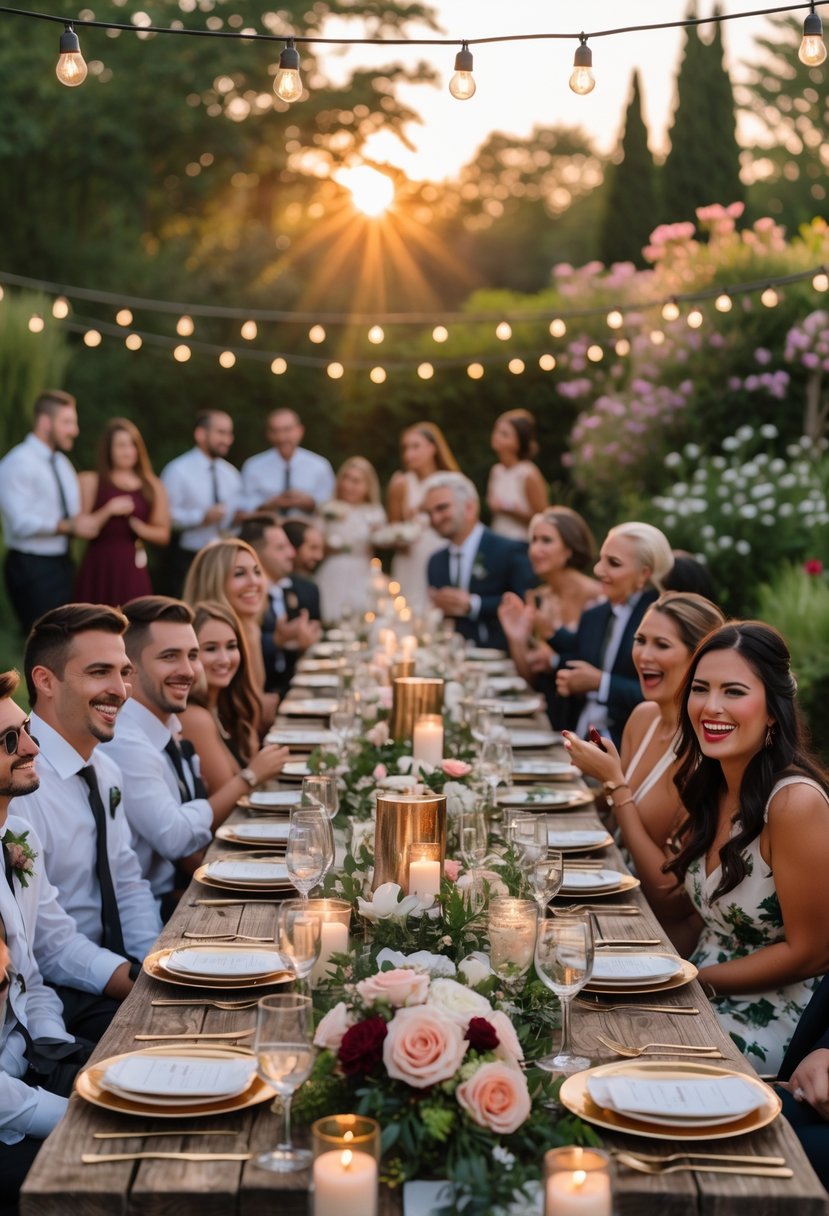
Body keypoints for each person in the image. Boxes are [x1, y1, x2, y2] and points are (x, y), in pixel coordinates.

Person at [654, 622, 829, 1075]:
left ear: (772, 711)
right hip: (698, 988)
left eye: (733, 691)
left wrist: (693, 982)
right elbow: (697, 914)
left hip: (767, 1019)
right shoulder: (712, 784)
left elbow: (813, 952)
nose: (711, 706)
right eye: (700, 689)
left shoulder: (794, 804)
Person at [12, 606, 161, 1039]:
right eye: (99, 672)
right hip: (58, 990)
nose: (120, 690)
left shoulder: (105, 769)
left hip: (116, 968)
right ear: (45, 682)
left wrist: (157, 960)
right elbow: (46, 942)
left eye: (124, 672)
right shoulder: (20, 788)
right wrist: (144, 984)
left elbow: (127, 881)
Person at [103, 596, 289, 919]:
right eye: (169, 657)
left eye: (192, 655)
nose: (188, 671)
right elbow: (175, 839)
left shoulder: (167, 726)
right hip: (153, 910)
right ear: (128, 668)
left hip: (175, 895)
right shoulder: (126, 740)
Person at [562, 592, 725, 955]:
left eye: (661, 645)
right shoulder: (644, 717)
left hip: (658, 938)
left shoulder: (706, 751)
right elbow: (616, 823)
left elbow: (671, 897)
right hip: (610, 899)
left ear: (699, 658)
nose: (644, 655)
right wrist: (589, 778)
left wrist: (614, 783)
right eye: (640, 640)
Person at [0, 670, 100, 1209]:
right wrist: (72, 1113)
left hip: (33, 1063)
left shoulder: (19, 838)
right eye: (8, 740)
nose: (32, 747)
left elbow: (32, 979)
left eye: (26, 731)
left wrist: (54, 1047)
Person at [518, 521, 673, 747]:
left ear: (644, 574)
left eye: (613, 563)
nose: (598, 570)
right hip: (578, 734)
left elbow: (667, 694)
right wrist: (552, 654)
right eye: (601, 559)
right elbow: (581, 654)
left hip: (630, 743)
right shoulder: (596, 614)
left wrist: (601, 683)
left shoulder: (660, 620)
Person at [0, 390, 99, 634]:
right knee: (44, 639)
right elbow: (20, 523)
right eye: (67, 422)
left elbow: (75, 514)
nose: (75, 430)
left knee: (65, 638)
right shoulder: (17, 462)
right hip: (31, 566)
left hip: (62, 563)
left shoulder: (62, 464)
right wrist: (68, 526)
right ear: (45, 422)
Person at [498, 507, 602, 724]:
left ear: (569, 549)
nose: (535, 550)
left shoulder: (597, 597)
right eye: (533, 540)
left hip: (589, 716)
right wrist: (516, 639)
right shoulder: (537, 598)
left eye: (546, 540)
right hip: (550, 713)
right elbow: (530, 679)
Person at [180, 602, 289, 793]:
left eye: (231, 646)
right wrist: (256, 772)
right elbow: (228, 798)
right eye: (211, 649)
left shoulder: (228, 706)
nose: (225, 659)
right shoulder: (194, 717)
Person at [424, 472, 533, 652]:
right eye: (429, 513)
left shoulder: (509, 550)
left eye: (442, 508)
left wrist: (473, 604)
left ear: (469, 507)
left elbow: (525, 604)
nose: (435, 519)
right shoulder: (435, 562)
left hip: (502, 657)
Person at [74, 418, 170, 606]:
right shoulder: (91, 481)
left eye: (132, 445)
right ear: (108, 449)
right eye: (121, 445)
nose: (128, 451)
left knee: (134, 616)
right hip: (99, 565)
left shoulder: (152, 485)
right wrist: (108, 510)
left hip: (131, 566)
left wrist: (140, 529)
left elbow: (163, 535)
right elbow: (81, 528)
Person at [183, 538, 277, 722]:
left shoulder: (251, 629)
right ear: (213, 581)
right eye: (239, 574)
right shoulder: (194, 636)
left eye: (257, 572)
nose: (254, 582)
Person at [238, 514, 322, 697]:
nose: (292, 553)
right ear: (254, 553)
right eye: (280, 548)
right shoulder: (243, 597)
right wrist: (277, 640)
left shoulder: (294, 589)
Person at [160, 409, 241, 595]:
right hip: (189, 559)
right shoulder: (177, 471)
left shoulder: (232, 474)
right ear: (201, 434)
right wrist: (200, 517)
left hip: (225, 559)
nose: (227, 440)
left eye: (229, 434)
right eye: (220, 433)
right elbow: (165, 515)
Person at [386, 421, 459, 615]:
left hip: (442, 551)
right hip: (410, 559)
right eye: (405, 448)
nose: (409, 454)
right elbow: (393, 529)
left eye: (415, 446)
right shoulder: (401, 483)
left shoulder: (450, 482)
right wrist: (402, 537)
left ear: (432, 448)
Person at [316, 457, 386, 622]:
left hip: (363, 571)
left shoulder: (374, 512)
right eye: (346, 479)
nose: (349, 486)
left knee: (362, 615)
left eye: (356, 481)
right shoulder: (328, 509)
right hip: (333, 571)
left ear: (367, 486)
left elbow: (381, 544)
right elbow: (315, 542)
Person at [239, 408, 334, 519]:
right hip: (265, 526)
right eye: (275, 431)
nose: (281, 437)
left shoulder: (320, 466)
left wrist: (309, 503)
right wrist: (268, 505)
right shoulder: (253, 466)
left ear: (300, 431)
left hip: (309, 525)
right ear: (268, 434)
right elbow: (242, 506)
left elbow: (331, 505)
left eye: (287, 430)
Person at [486, 409, 548, 542]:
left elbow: (543, 517)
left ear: (519, 442)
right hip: (498, 540)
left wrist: (510, 511)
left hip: (521, 544)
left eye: (504, 434)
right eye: (497, 431)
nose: (496, 436)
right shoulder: (496, 471)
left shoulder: (528, 474)